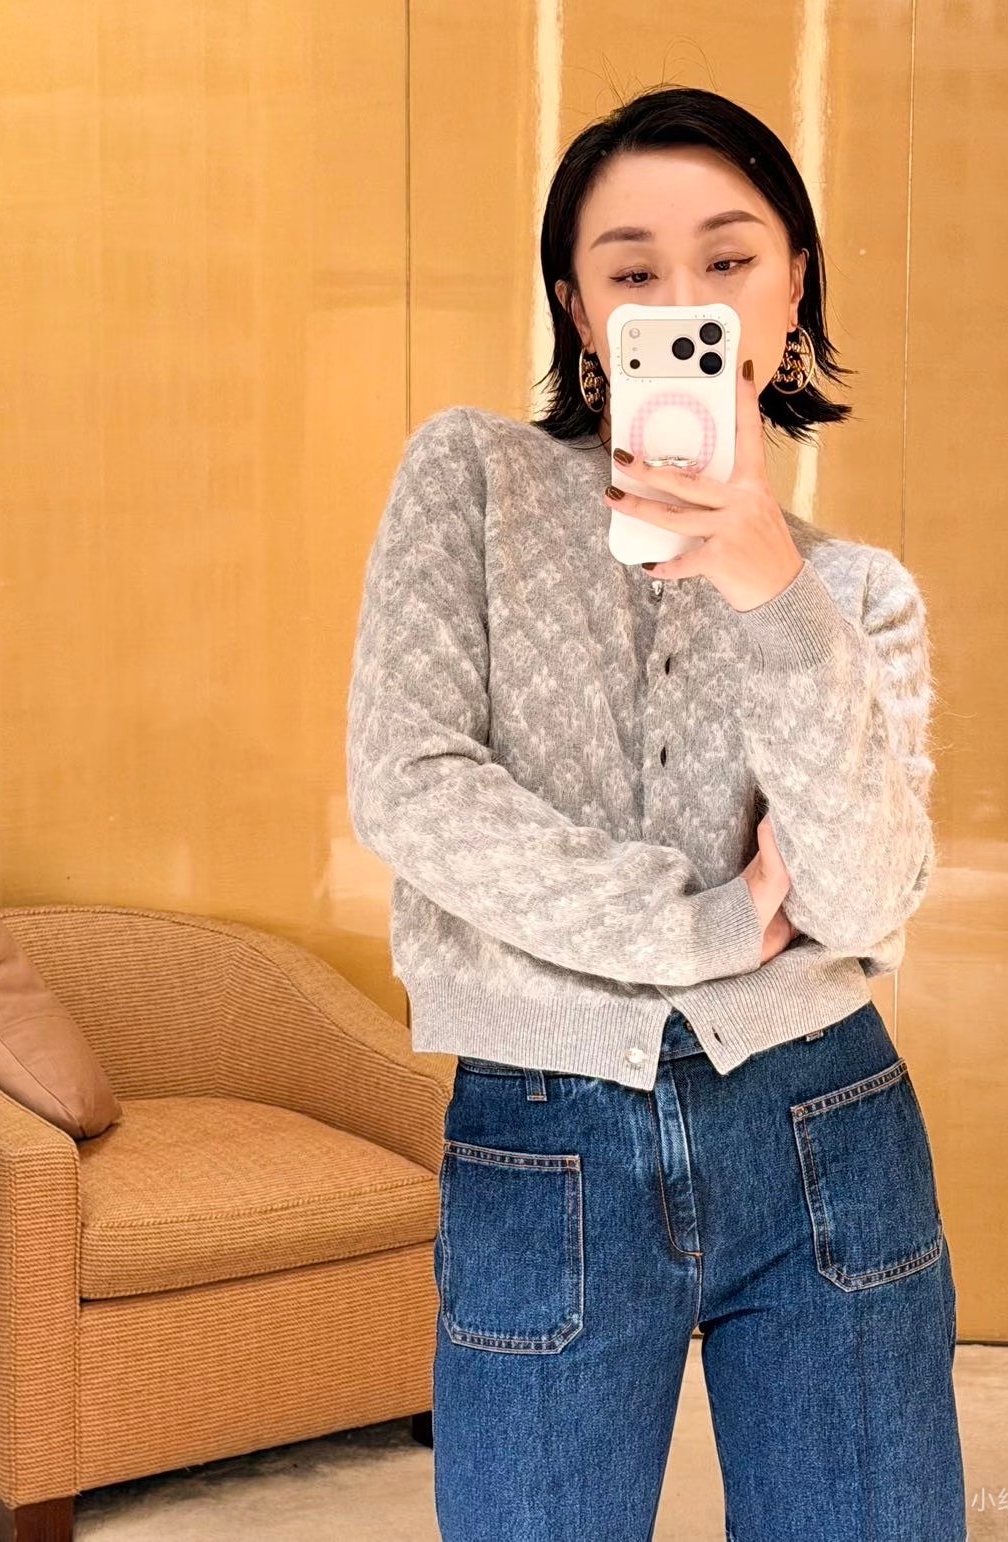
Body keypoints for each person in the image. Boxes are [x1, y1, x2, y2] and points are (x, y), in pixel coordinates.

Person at [346, 84, 966, 1541]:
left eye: (729, 259)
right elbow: (412, 784)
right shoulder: (471, 481)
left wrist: (771, 591)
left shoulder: (855, 593)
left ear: (795, 288)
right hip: (543, 1138)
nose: (684, 300)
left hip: (827, 1125)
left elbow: (864, 897)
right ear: (579, 309)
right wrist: (705, 926)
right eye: (633, 271)